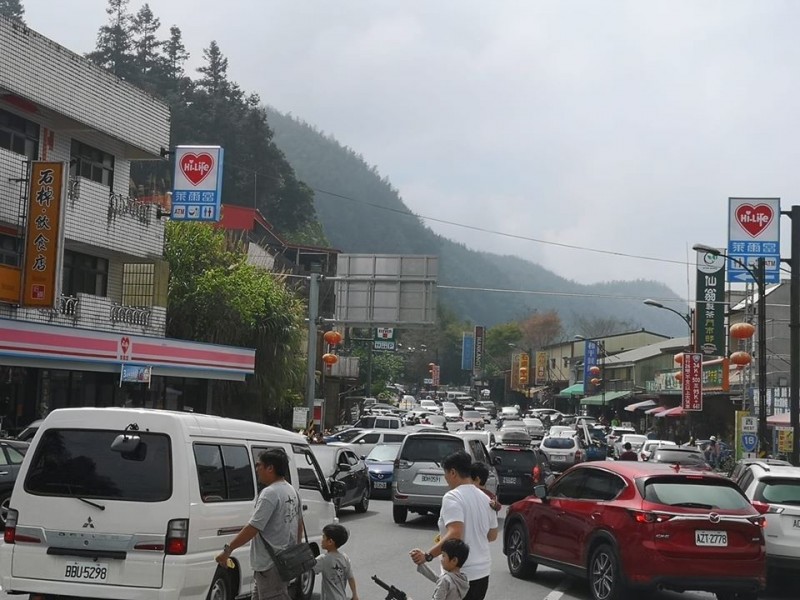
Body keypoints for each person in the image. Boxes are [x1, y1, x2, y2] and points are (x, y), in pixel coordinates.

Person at [409, 451, 498, 600]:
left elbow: (455, 533)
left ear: (453, 472)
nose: (446, 479)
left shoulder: (453, 497)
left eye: (445, 474)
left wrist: (428, 555)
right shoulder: (485, 498)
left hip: (460, 574)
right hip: (482, 572)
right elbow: (492, 535)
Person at [215, 448, 301, 600]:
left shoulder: (271, 493)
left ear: (270, 468)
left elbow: (252, 528)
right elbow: (299, 522)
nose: (256, 469)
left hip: (271, 564)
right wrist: (295, 552)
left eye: (258, 465)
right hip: (282, 561)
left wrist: (228, 550)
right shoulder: (291, 490)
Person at [314, 523, 359, 600]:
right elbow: (351, 578)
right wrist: (355, 594)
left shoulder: (323, 559)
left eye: (324, 537)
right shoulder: (345, 558)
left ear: (330, 542)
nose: (321, 540)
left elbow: (307, 569)